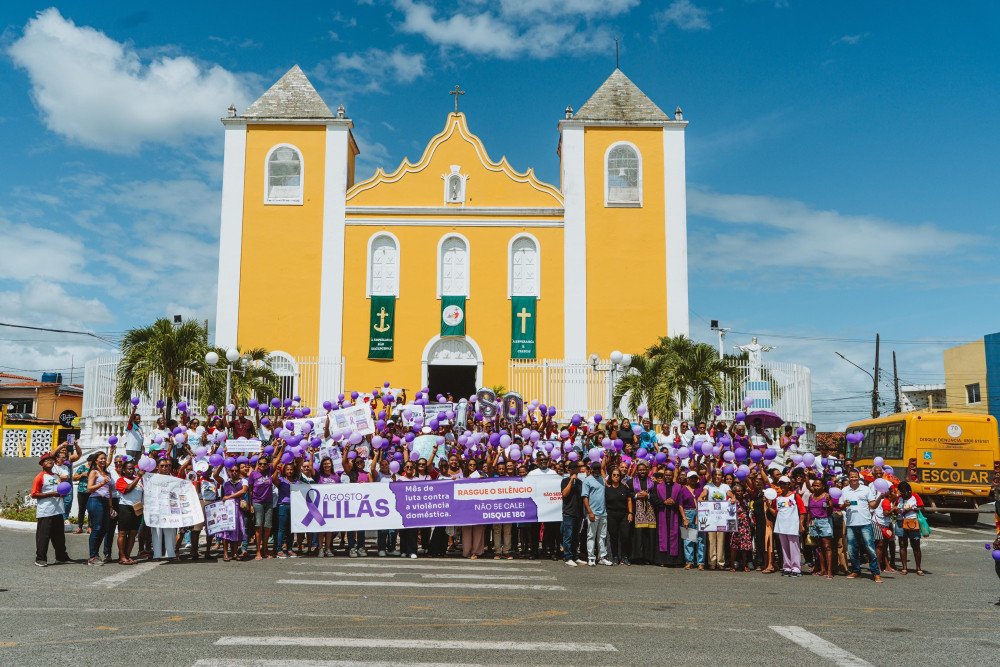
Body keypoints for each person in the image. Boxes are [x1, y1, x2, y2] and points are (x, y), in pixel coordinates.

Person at [839, 469, 884, 583]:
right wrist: (845, 504)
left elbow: (873, 505)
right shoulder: (844, 490)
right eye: (851, 477)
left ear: (858, 477)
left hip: (865, 523)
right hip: (851, 524)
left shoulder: (866, 489)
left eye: (855, 477)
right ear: (849, 478)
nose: (854, 479)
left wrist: (880, 497)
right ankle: (856, 570)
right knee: (852, 549)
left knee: (870, 548)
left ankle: (875, 573)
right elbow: (840, 506)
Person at [31, 453, 71, 566]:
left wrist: (62, 494)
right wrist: (51, 494)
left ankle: (61, 556)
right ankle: (40, 558)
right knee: (43, 537)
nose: (50, 461)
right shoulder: (40, 477)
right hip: (45, 511)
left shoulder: (57, 476)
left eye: (51, 460)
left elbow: (60, 490)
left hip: (58, 510)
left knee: (59, 536)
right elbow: (34, 494)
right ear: (42, 464)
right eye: (46, 460)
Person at [769, 475, 806, 576]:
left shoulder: (795, 496)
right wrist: (768, 505)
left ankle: (796, 568)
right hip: (781, 525)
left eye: (784, 484)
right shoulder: (778, 498)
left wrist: (801, 524)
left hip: (792, 525)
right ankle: (787, 566)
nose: (782, 486)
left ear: (789, 485)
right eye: (780, 484)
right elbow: (776, 513)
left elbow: (802, 511)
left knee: (794, 547)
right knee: (784, 547)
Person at [699, 469, 735, 570]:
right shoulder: (708, 485)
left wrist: (732, 498)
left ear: (721, 476)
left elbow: (730, 494)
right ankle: (712, 563)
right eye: (715, 474)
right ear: (713, 476)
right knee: (711, 540)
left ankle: (720, 563)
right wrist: (701, 497)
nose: (717, 476)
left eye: (719, 475)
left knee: (721, 540)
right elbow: (704, 493)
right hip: (711, 516)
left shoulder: (725, 486)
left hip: (721, 517)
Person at [85, 451, 113, 566]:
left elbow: (109, 491)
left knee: (104, 528)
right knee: (97, 528)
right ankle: (92, 556)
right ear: (96, 460)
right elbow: (89, 488)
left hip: (105, 501)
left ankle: (96, 554)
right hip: (95, 500)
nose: (103, 460)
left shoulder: (106, 473)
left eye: (104, 459)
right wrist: (102, 483)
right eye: (101, 458)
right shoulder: (94, 472)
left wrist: (111, 506)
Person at [582, 461, 612, 566]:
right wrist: (590, 512)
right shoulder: (587, 480)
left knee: (602, 536)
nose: (596, 471)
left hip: (603, 513)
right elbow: (585, 497)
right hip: (593, 513)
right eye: (594, 469)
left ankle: (602, 557)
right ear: (591, 470)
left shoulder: (602, 479)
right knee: (591, 535)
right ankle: (591, 557)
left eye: (598, 469)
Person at [114, 459, 144, 565]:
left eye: (133, 469)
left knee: (132, 533)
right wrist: (139, 477)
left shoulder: (140, 480)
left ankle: (128, 555)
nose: (131, 471)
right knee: (123, 533)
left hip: (137, 508)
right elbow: (127, 489)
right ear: (124, 470)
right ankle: (122, 556)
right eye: (129, 469)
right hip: (125, 507)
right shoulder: (121, 480)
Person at [149, 456, 179, 562]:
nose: (165, 468)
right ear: (158, 467)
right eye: (162, 466)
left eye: (167, 466)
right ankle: (156, 554)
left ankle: (170, 553)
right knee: (156, 532)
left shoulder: (174, 479)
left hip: (169, 509)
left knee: (170, 531)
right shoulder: (152, 479)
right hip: (155, 509)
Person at [604, 467, 633, 566]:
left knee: (625, 536)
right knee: (613, 536)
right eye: (614, 475)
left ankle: (624, 557)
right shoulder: (607, 488)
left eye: (618, 475)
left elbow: (629, 500)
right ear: (611, 476)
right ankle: (615, 556)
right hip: (611, 515)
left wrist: (630, 513)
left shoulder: (624, 487)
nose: (616, 477)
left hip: (624, 514)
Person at [895, 481, 924, 575]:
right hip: (900, 523)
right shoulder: (899, 498)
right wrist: (897, 510)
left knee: (916, 545)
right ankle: (904, 567)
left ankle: (918, 568)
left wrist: (911, 509)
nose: (904, 494)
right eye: (901, 492)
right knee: (902, 545)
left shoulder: (915, 496)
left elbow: (921, 508)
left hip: (912, 523)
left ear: (909, 490)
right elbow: (895, 508)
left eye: (905, 492)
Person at [806, 478, 834, 579]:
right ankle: (822, 569)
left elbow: (830, 511)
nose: (816, 487)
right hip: (814, 522)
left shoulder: (826, 496)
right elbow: (809, 510)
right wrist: (807, 522)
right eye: (814, 485)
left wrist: (829, 503)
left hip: (825, 521)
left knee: (827, 546)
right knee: (818, 547)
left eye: (818, 485)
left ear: (823, 486)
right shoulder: (811, 496)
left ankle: (829, 571)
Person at [560, 460, 584, 567]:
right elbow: (564, 494)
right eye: (572, 468)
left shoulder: (580, 483)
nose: (575, 470)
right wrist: (571, 481)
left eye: (576, 468)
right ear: (569, 470)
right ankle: (567, 557)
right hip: (568, 513)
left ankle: (575, 556)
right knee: (568, 536)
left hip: (578, 513)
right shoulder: (565, 481)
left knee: (576, 536)